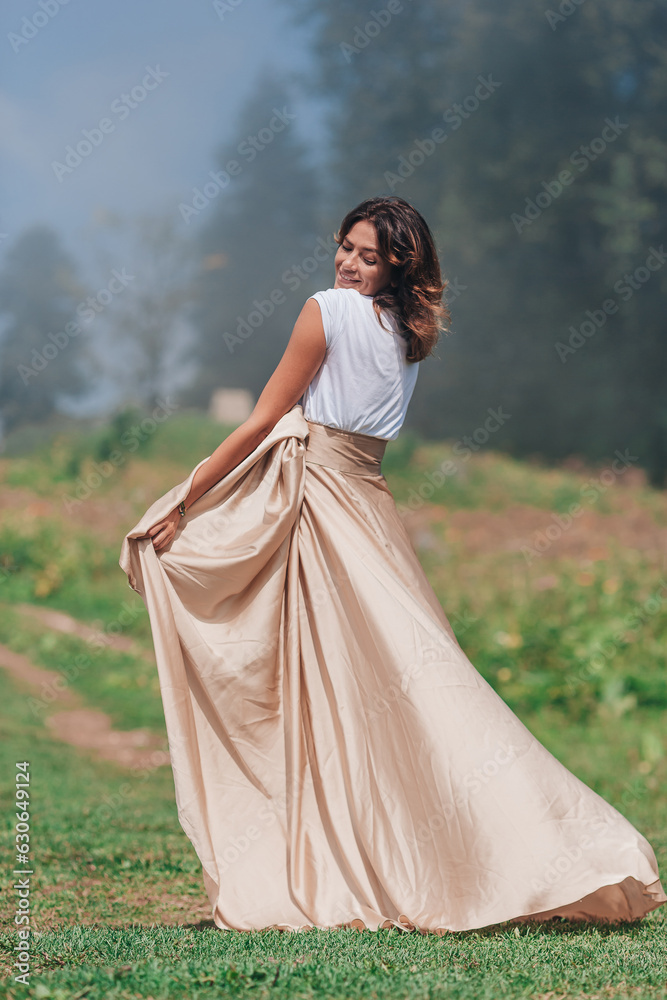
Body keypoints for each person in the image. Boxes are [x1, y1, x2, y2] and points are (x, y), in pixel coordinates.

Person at [119, 195, 666, 934]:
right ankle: (502, 849)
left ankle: (434, 853)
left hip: (319, 507)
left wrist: (183, 503)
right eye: (344, 247)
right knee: (400, 689)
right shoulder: (407, 332)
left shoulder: (327, 311)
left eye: (367, 255)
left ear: (396, 265)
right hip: (370, 513)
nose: (347, 262)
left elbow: (258, 421)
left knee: (347, 691)